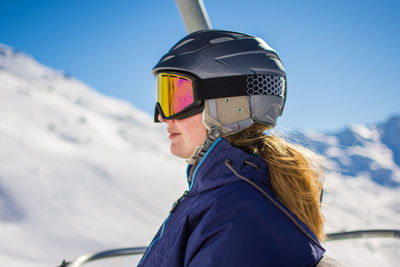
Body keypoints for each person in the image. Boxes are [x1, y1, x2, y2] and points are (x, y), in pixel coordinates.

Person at [138, 29, 326, 267]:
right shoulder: (227, 197)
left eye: (176, 98)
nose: (163, 117)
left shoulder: (239, 218)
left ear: (229, 105)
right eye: (164, 97)